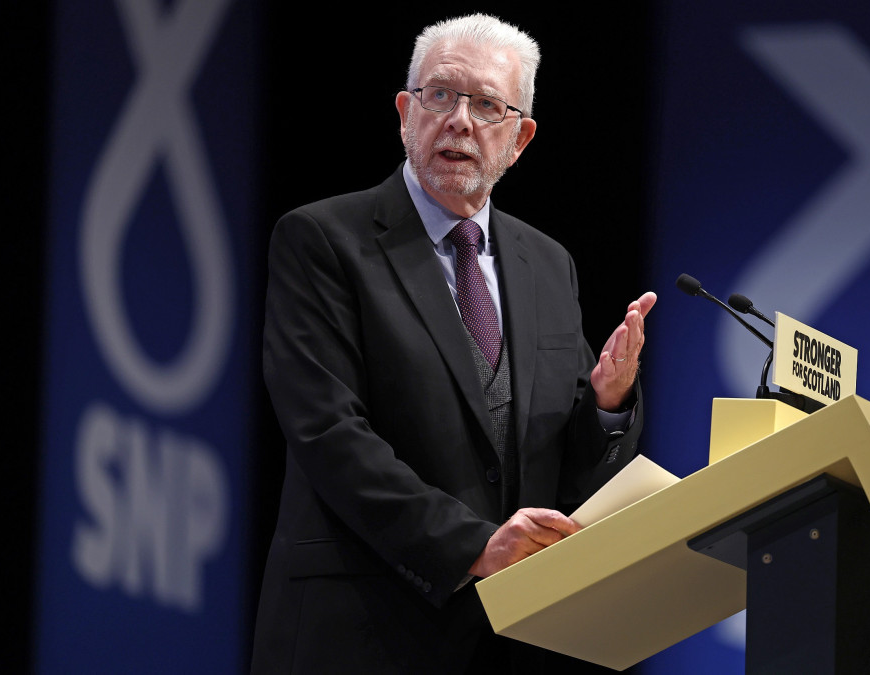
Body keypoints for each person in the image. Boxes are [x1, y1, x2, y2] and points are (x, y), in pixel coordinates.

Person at [250, 13, 656, 674]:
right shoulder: (323, 239)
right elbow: (329, 434)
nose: (460, 120)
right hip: (357, 635)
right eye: (440, 95)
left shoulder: (548, 265)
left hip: (508, 643)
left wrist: (608, 405)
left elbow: (569, 466)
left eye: (487, 104)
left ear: (520, 137)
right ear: (405, 111)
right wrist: (473, 544)